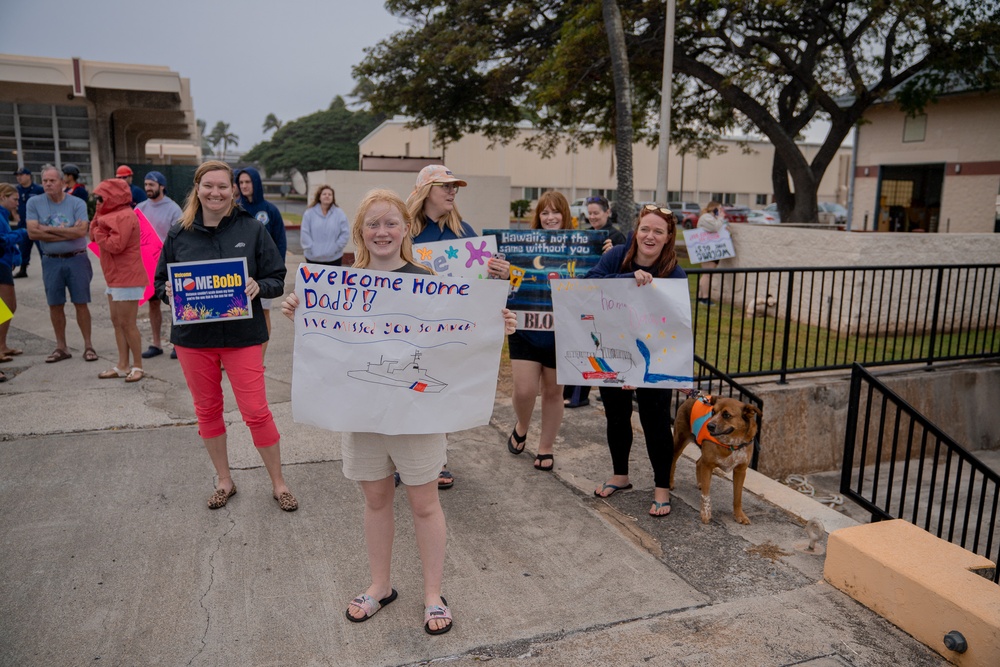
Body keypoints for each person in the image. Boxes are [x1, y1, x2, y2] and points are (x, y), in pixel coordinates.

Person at [281, 188, 516, 635]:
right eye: (373, 224)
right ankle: (380, 585)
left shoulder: (430, 281)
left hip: (418, 416)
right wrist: (300, 308)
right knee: (375, 500)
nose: (383, 231)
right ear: (360, 232)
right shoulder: (338, 286)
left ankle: (433, 593)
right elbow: (326, 343)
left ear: (406, 229)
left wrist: (496, 322)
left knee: (425, 503)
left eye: (391, 223)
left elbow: (465, 334)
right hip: (362, 415)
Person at [153, 160, 296, 512]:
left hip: (242, 337)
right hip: (193, 340)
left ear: (233, 190)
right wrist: (168, 291)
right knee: (207, 410)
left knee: (256, 411)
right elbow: (159, 282)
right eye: (208, 186)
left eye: (223, 186)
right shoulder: (177, 233)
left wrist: (257, 285)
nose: (215, 193)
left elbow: (277, 277)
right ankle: (224, 480)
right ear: (197, 189)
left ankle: (279, 483)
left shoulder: (251, 229)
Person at [407, 164, 511, 489]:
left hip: (451, 332)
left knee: (440, 391)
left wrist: (500, 274)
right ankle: (405, 458)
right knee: (410, 392)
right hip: (411, 329)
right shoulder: (404, 230)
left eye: (455, 187)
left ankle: (437, 460)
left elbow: (482, 285)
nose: (452, 192)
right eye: (445, 187)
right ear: (426, 192)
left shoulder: (464, 231)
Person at [588, 204, 686, 517]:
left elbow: (679, 324)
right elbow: (588, 285)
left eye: (659, 231)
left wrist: (679, 371)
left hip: (653, 357)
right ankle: (621, 475)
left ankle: (661, 487)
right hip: (613, 351)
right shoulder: (616, 256)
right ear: (636, 230)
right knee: (616, 417)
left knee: (655, 421)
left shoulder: (674, 272)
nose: (650, 235)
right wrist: (628, 278)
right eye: (645, 229)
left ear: (668, 236)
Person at [505, 190, 573, 472]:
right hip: (524, 327)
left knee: (553, 393)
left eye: (555, 212)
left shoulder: (580, 248)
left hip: (563, 332)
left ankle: (546, 447)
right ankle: (522, 424)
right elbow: (506, 277)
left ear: (565, 215)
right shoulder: (522, 247)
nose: (550, 217)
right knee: (525, 390)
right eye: (544, 212)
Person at [26, 165, 97, 363]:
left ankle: (88, 345)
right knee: (55, 304)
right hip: (51, 261)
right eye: (45, 181)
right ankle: (61, 347)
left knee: (81, 303)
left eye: (52, 180)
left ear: (63, 183)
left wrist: (46, 230)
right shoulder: (34, 203)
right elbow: (33, 233)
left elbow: (80, 232)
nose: (48, 184)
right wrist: (67, 232)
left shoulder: (77, 203)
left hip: (77, 258)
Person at [563, 195, 628, 409]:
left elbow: (624, 268)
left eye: (596, 213)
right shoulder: (587, 235)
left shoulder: (617, 238)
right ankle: (577, 393)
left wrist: (613, 253)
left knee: (599, 345)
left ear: (607, 212)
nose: (592, 217)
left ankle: (596, 389)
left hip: (607, 301)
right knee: (583, 344)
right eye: (589, 213)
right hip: (586, 296)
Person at [90, 178, 147, 382]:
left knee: (128, 323)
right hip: (114, 277)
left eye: (101, 197)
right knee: (117, 322)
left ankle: (138, 366)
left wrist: (98, 229)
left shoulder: (124, 215)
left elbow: (116, 245)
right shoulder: (108, 214)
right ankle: (123, 364)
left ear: (112, 196)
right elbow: (93, 236)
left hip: (127, 277)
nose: (97, 201)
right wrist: (98, 219)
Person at [234, 167, 286, 364]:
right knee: (237, 313)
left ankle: (259, 358)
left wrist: (275, 271)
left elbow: (280, 241)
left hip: (263, 275)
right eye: (241, 183)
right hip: (238, 273)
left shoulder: (270, 210)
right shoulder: (234, 208)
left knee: (262, 313)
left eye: (248, 182)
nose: (244, 186)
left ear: (256, 183)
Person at [136, 171, 183, 359]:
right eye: (146, 184)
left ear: (161, 186)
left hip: (169, 264)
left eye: (152, 185)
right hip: (148, 265)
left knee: (175, 304)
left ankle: (177, 344)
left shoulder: (173, 209)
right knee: (153, 304)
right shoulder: (140, 208)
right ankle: (156, 343)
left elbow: (179, 237)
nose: (148, 188)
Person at [0, 183, 28, 380]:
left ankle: (2, 345)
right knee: (6, 307)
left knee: (8, 307)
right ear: (3, 196)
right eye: (14, 199)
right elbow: (2, 240)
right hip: (1, 263)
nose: (17, 203)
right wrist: (23, 232)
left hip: (4, 263)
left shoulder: (4, 215)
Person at [300, 185, 349, 266]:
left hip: (334, 258)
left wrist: (336, 248)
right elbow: (305, 232)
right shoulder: (309, 213)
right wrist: (311, 248)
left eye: (330, 194)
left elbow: (345, 233)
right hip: (312, 258)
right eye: (324, 194)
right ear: (319, 197)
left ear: (333, 198)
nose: (327, 196)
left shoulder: (340, 214)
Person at [13, 168, 43, 279]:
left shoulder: (38, 189)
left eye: (21, 175)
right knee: (23, 248)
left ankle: (47, 268)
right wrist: (14, 214)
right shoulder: (16, 190)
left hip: (37, 224)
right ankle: (23, 269)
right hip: (23, 224)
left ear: (28, 176)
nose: (19, 177)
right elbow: (13, 203)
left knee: (42, 248)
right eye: (17, 175)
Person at [696, 201, 726, 306]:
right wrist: (721, 218)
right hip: (707, 248)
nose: (721, 211)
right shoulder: (706, 217)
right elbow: (715, 228)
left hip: (711, 248)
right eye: (719, 209)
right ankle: (705, 298)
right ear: (714, 209)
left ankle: (700, 296)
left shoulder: (711, 218)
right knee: (707, 275)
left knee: (707, 274)